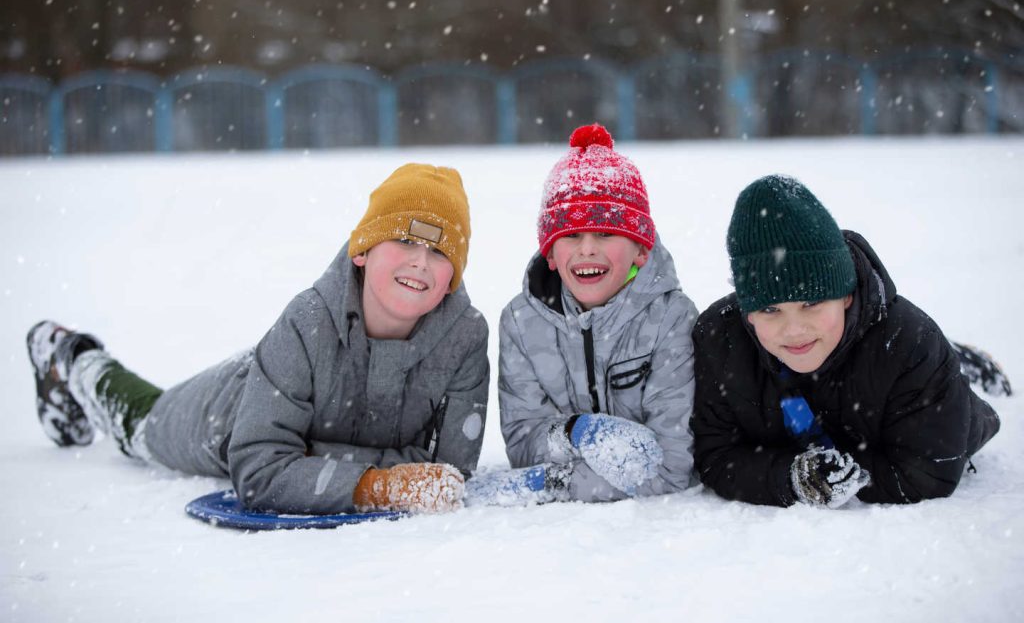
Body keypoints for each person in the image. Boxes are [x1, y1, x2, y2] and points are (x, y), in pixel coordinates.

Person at [27, 163, 489, 515]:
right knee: (141, 422)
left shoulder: (465, 337)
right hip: (228, 411)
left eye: (438, 251)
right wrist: (376, 485)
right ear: (363, 250)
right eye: (405, 242)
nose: (420, 264)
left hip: (291, 418)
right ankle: (71, 355)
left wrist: (310, 457)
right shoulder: (307, 320)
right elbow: (257, 468)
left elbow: (448, 472)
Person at [690, 174, 1007, 509]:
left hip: (936, 400)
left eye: (811, 303)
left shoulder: (910, 343)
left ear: (846, 296)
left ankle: (973, 362)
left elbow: (928, 473)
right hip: (833, 413)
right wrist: (790, 477)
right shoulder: (719, 340)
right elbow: (714, 455)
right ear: (748, 312)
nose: (794, 328)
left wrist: (846, 475)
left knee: (958, 380)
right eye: (770, 309)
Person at [465, 123, 697, 506]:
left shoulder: (670, 318)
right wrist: (575, 432)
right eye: (571, 235)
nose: (587, 249)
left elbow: (669, 467)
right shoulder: (522, 323)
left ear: (640, 250)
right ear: (551, 254)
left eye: (605, 233)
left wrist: (550, 482)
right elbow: (524, 444)